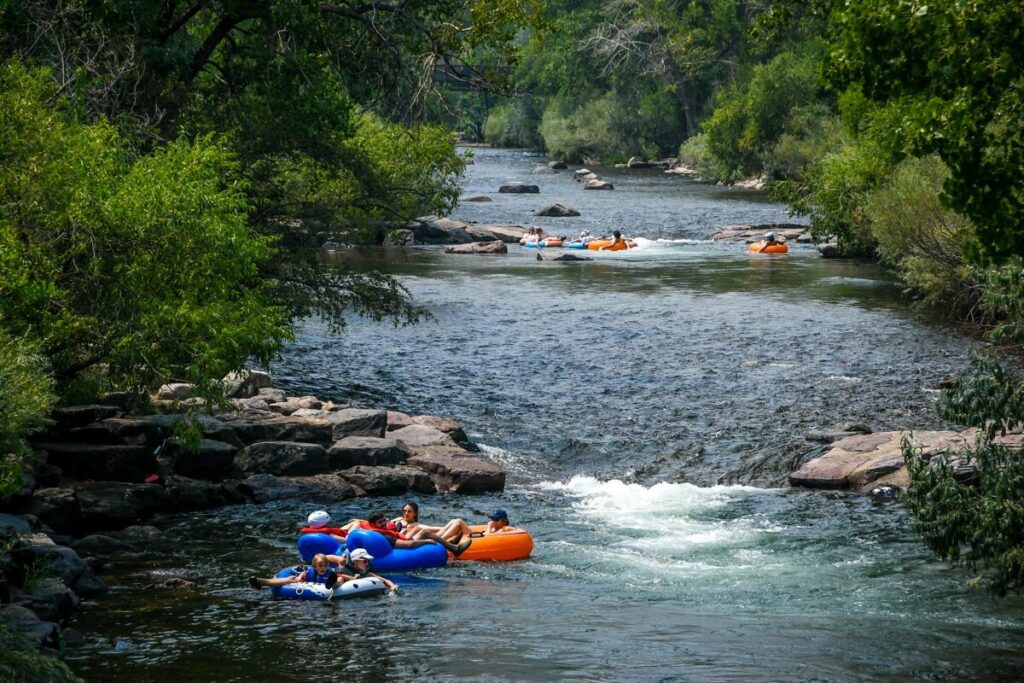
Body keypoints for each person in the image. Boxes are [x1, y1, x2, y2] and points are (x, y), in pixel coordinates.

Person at [351, 511, 472, 556]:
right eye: (380, 522)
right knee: (425, 534)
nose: (384, 524)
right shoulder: (383, 536)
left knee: (424, 531)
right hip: (403, 546)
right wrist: (426, 541)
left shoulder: (373, 530)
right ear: (373, 524)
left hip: (403, 539)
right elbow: (408, 545)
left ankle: (450, 545)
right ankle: (454, 549)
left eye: (384, 521)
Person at [248, 553, 352, 589]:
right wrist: (299, 579)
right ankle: (261, 582)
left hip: (331, 583)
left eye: (325, 566)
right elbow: (303, 576)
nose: (323, 568)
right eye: (320, 566)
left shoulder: (330, 573)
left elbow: (346, 577)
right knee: (290, 580)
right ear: (314, 567)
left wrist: (353, 578)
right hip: (308, 582)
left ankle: (333, 585)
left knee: (340, 578)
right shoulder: (310, 572)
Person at [326, 548, 399, 592]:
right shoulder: (343, 561)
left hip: (351, 579)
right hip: (336, 574)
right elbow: (325, 557)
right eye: (364, 561)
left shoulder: (367, 573)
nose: (367, 563)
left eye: (368, 560)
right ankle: (333, 586)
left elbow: (386, 580)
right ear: (355, 561)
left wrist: (393, 586)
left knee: (370, 575)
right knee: (340, 578)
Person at [432, 509, 515, 542]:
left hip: (477, 540)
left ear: (503, 521)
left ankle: (438, 540)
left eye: (496, 520)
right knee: (454, 520)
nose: (493, 522)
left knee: (459, 521)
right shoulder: (494, 527)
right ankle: (434, 537)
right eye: (492, 519)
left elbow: (488, 539)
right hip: (476, 537)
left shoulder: (502, 530)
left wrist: (489, 528)